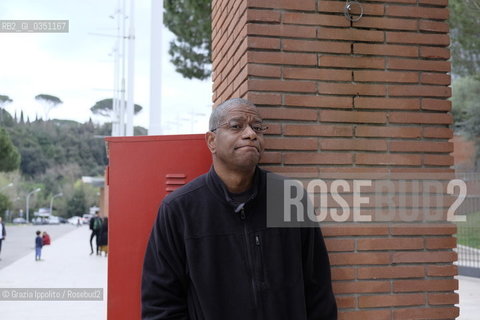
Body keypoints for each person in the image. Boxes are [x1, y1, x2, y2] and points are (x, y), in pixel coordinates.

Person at [142, 98, 337, 319]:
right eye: (236, 126)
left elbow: (317, 287)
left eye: (257, 128)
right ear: (211, 141)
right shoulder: (180, 209)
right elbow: (160, 303)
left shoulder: (289, 198)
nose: (251, 134)